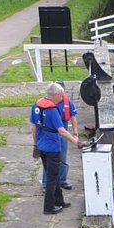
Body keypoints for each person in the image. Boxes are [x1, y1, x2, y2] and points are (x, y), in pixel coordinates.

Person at [30, 83, 81, 214]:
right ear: (55, 95)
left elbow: (33, 127)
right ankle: (49, 207)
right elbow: (62, 131)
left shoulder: (36, 106)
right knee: (52, 178)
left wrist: (35, 144)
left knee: (54, 174)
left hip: (41, 146)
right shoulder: (52, 110)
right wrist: (75, 141)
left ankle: (59, 201)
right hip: (53, 147)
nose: (62, 97)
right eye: (61, 94)